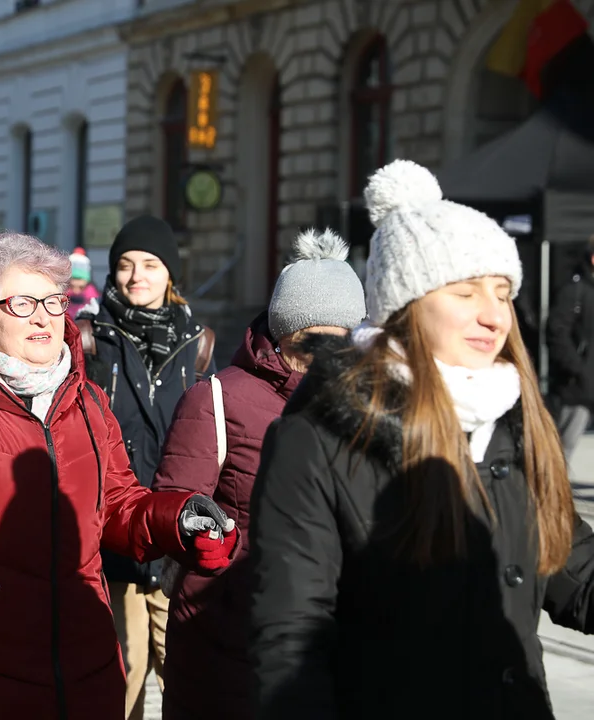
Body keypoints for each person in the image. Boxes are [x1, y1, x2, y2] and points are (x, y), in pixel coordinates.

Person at [249, 160, 594, 720]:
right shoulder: (319, 439)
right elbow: (291, 645)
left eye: (503, 292)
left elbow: (572, 569)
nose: (493, 315)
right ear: (405, 307)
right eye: (464, 292)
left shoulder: (512, 422)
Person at [0, 232, 237, 719]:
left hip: (83, 666)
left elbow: (119, 505)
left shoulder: (87, 402)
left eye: (51, 301)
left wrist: (177, 516)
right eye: (22, 303)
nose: (45, 316)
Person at [152, 229, 366, 720]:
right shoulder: (218, 398)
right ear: (284, 332)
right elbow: (170, 504)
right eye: (315, 342)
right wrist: (195, 529)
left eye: (343, 344)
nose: (330, 360)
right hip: (225, 635)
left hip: (328, 638)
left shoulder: (366, 405)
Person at [73, 213, 215, 719]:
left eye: (150, 265)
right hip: (112, 531)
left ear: (169, 274)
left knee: (183, 667)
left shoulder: (198, 346)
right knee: (123, 673)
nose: (137, 277)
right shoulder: (89, 339)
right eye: (127, 266)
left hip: (174, 535)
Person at [546, 234, 594, 461]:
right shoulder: (574, 290)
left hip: (584, 381)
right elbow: (557, 334)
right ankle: (553, 494)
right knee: (564, 447)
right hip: (578, 389)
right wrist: (579, 369)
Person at [67, 247, 100, 319]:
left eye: (81, 287)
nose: (76, 291)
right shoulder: (62, 294)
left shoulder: (92, 297)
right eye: (72, 286)